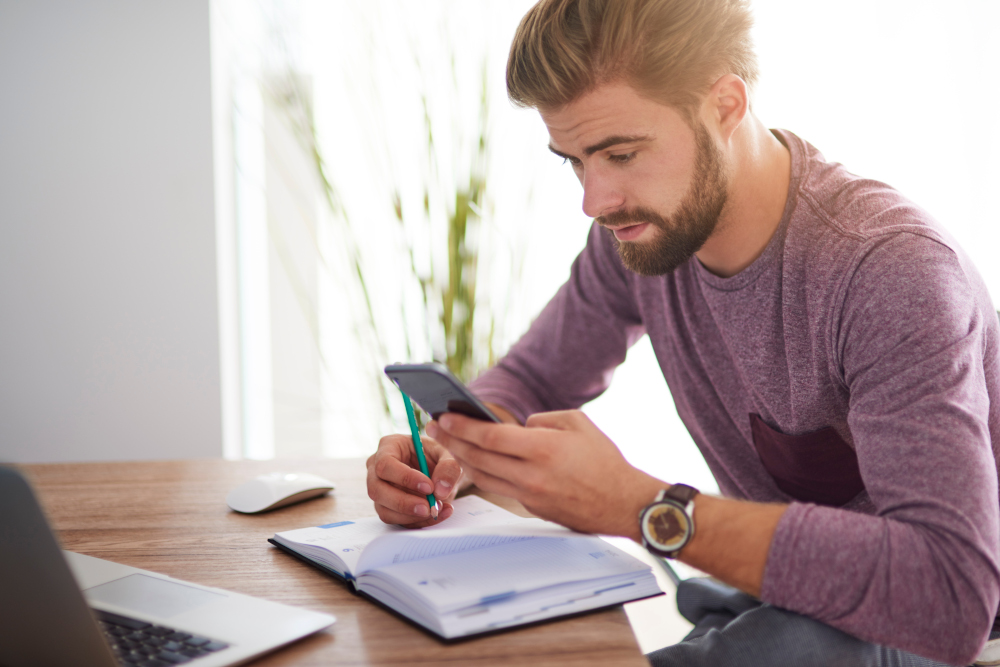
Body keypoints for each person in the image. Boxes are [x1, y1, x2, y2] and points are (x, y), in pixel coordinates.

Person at [365, 0, 1000, 664]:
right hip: (783, 597)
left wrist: (640, 505)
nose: (595, 199)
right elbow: (528, 379)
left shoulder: (888, 273)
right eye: (574, 160)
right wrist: (461, 448)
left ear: (725, 104)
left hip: (936, 626)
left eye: (621, 152)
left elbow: (948, 592)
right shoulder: (641, 233)